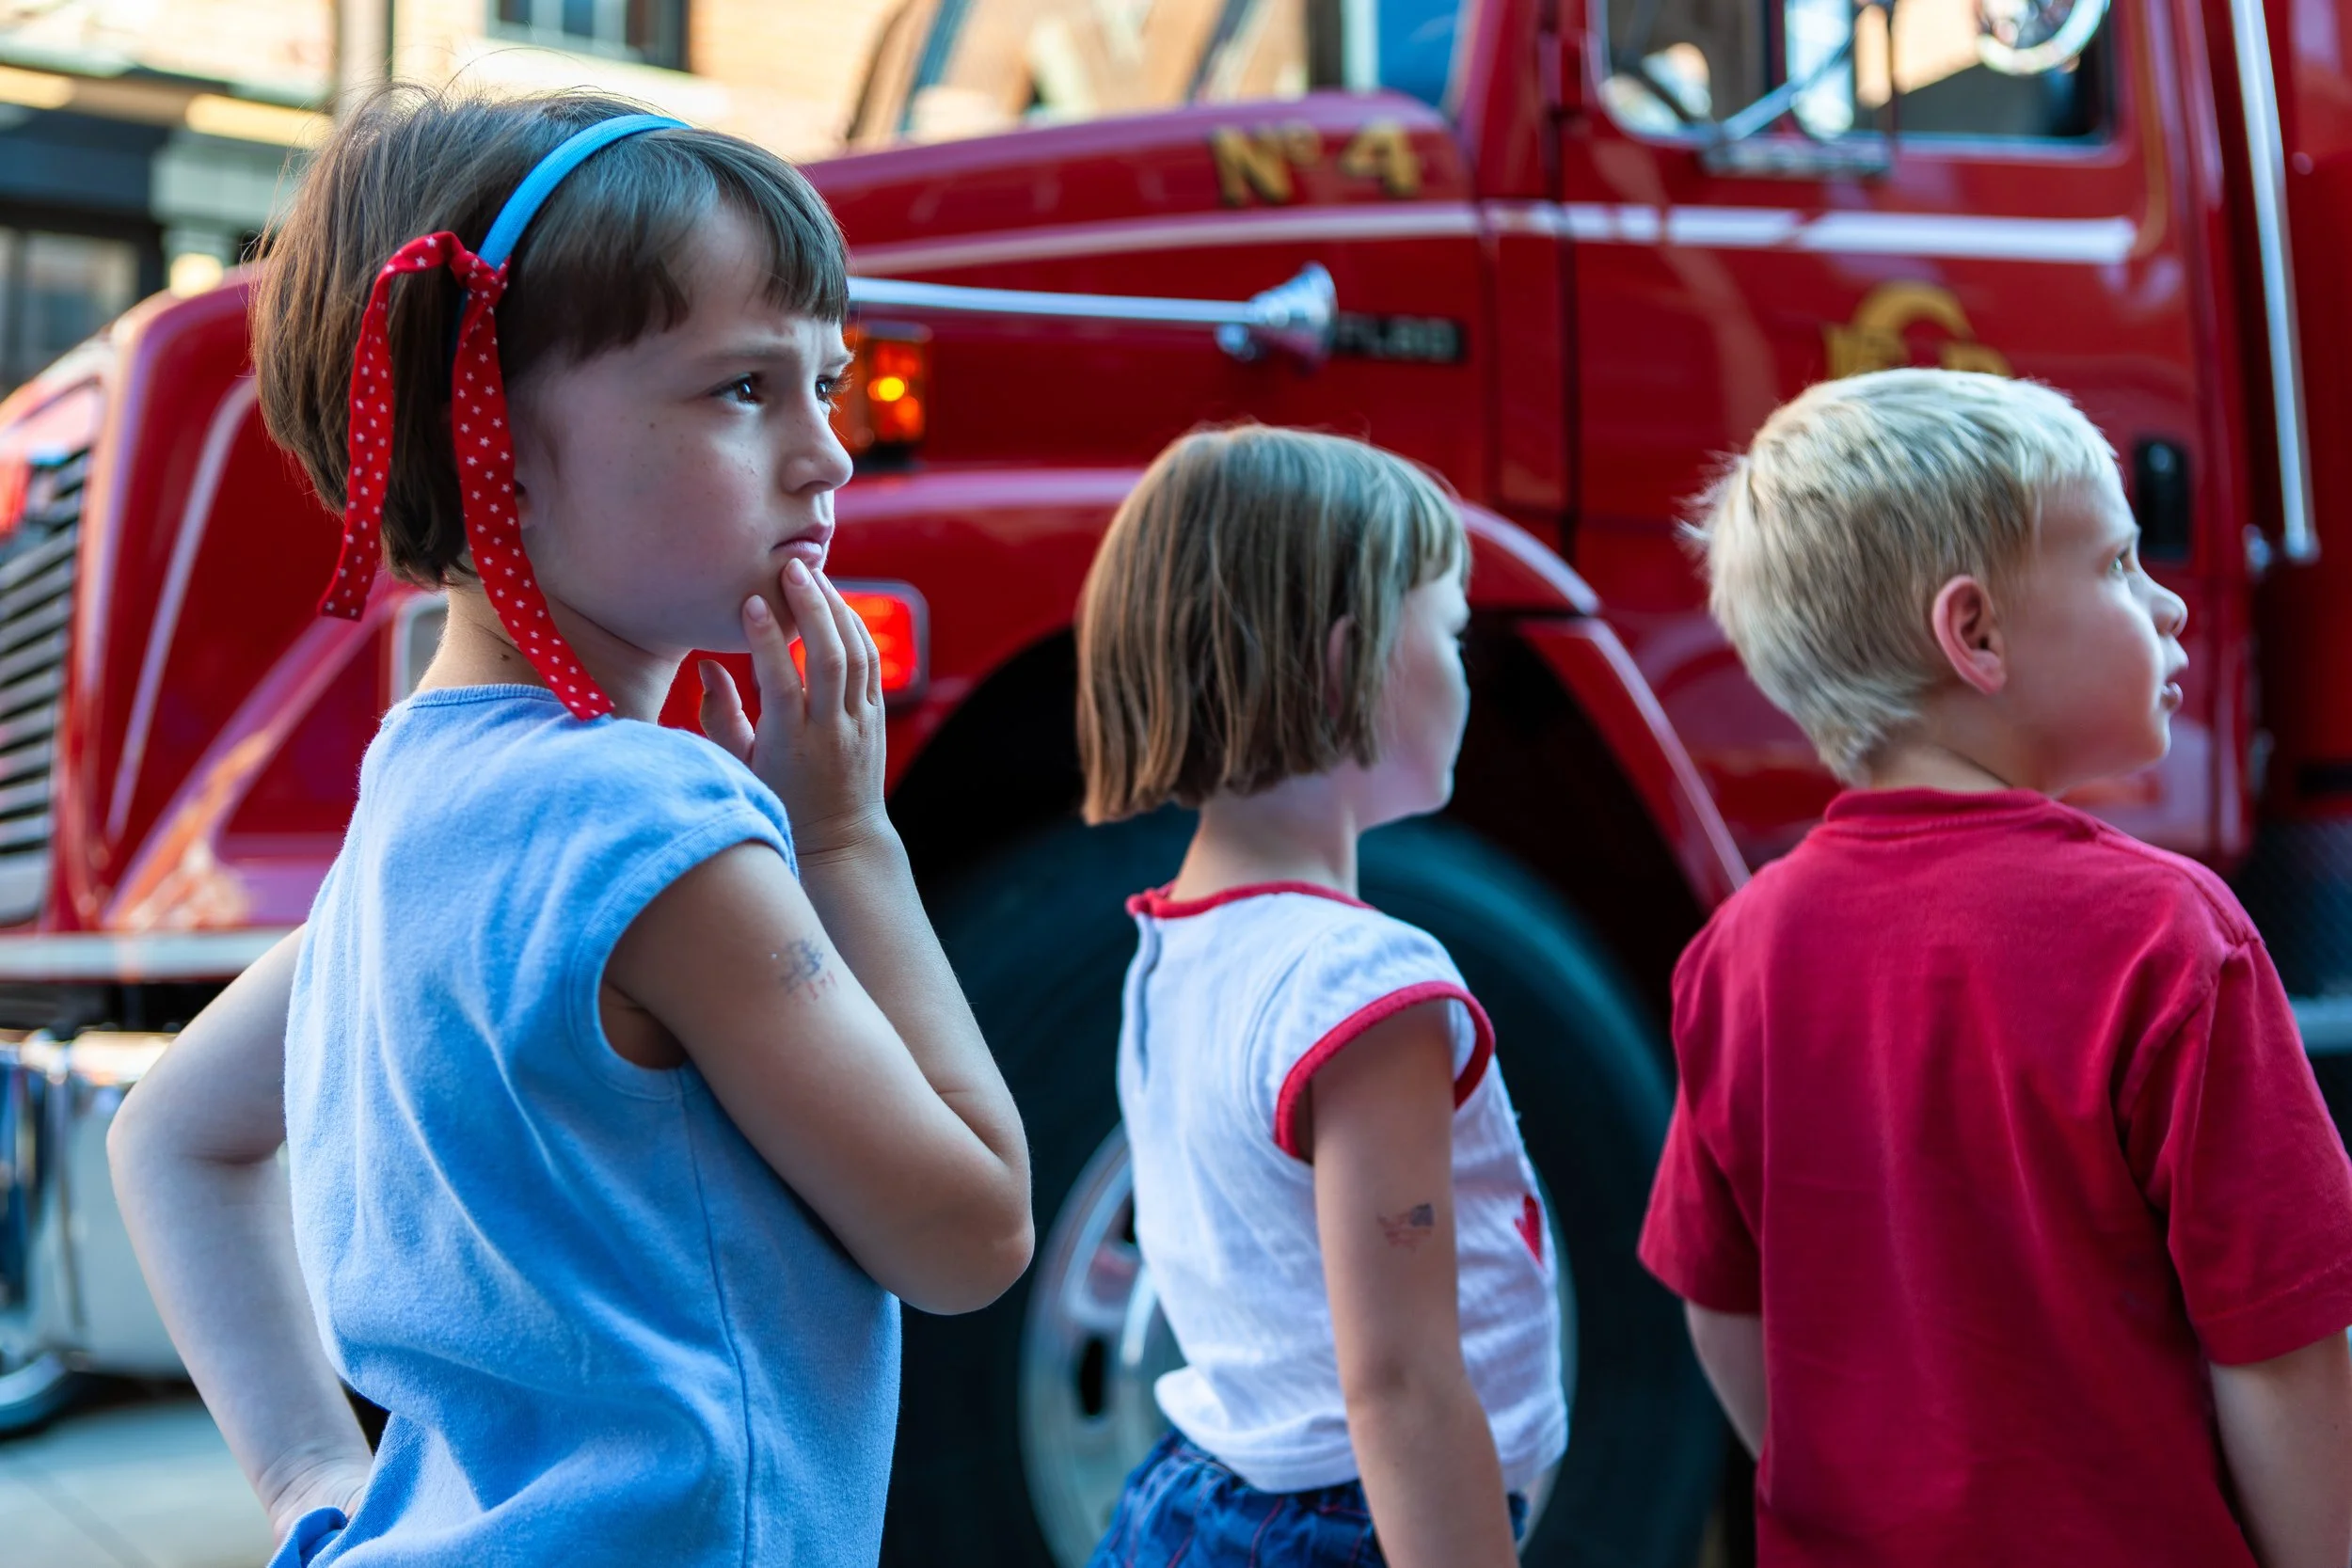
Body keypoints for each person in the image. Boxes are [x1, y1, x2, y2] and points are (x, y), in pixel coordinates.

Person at [104, 86, 1033, 1568]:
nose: (828, 454)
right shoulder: (657, 836)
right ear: (490, 447)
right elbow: (971, 1232)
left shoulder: (415, 812)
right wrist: (848, 840)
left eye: (828, 381)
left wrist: (307, 1484)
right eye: (744, 388)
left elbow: (165, 1133)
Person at [1642, 367, 2352, 1567]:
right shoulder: (2167, 936)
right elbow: (2280, 1340)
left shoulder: (1740, 950)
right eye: (2120, 565)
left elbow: (1719, 1298)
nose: (2169, 608)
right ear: (1973, 632)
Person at [1073, 425, 1566, 1568]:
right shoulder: (1363, 986)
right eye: (1449, 630)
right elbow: (1399, 1383)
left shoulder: (1176, 946)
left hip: (1192, 1495)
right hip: (1342, 1527)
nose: (1469, 667)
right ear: (1350, 664)